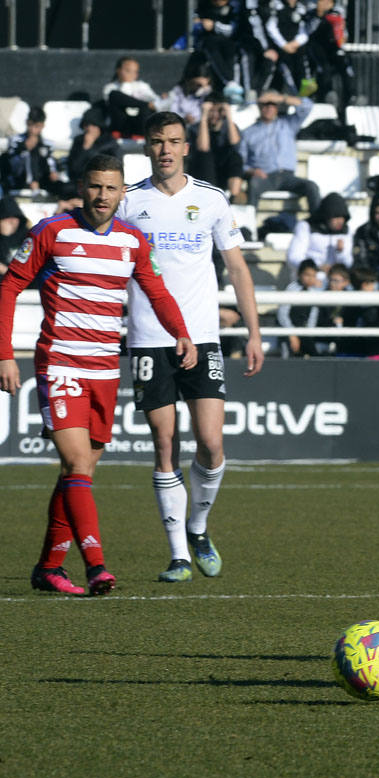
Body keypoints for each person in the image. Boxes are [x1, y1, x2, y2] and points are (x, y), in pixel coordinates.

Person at [0, 154, 197, 596]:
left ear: (123, 191)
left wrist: (181, 334)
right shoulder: (52, 231)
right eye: (94, 187)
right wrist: (4, 354)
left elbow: (156, 291)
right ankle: (95, 565)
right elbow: (9, 286)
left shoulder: (133, 240)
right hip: (61, 363)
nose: (102, 196)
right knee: (75, 465)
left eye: (111, 188)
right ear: (82, 187)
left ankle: (49, 568)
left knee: (80, 470)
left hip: (106, 368)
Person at [118, 111, 264, 584]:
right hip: (148, 338)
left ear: (185, 147)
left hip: (202, 336)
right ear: (147, 147)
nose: (165, 149)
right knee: (165, 444)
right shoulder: (128, 202)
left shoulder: (211, 200)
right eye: (157, 141)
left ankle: (198, 528)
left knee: (212, 443)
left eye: (174, 141)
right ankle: (179, 554)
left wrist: (254, 332)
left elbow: (238, 269)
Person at [239, 91, 320, 209]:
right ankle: (250, 224)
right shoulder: (247, 133)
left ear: (277, 107)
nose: (269, 108)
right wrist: (252, 171)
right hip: (265, 177)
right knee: (253, 184)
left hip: (288, 177)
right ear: (259, 106)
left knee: (311, 187)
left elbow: (307, 106)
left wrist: (281, 98)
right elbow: (240, 162)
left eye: (273, 104)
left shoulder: (288, 124)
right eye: (265, 104)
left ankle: (317, 225)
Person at [303, 0, 356, 121]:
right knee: (323, 69)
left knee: (345, 66)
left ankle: (351, 96)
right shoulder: (311, 9)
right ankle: (325, 95)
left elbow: (341, 29)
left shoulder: (338, 10)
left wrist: (343, 38)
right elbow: (309, 31)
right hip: (316, 46)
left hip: (333, 46)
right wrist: (319, 15)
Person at [192, 0, 246, 102]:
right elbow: (194, 19)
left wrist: (214, 25)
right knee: (209, 46)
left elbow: (233, 29)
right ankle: (229, 83)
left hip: (229, 40)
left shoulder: (235, 6)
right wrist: (200, 23)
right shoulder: (205, 1)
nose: (215, 2)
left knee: (232, 50)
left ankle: (232, 84)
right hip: (208, 40)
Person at [0, 106, 70, 199]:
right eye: (30, 125)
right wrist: (24, 147)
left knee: (63, 186)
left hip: (41, 179)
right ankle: (33, 185)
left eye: (37, 126)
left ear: (42, 126)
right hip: (18, 178)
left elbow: (50, 162)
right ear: (27, 123)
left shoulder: (47, 144)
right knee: (27, 154)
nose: (33, 130)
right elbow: (12, 165)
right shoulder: (15, 140)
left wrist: (53, 172)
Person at [267, 0, 317, 97]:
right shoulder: (276, 7)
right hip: (281, 47)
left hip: (296, 46)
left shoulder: (302, 9)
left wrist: (296, 43)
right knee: (283, 69)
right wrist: (284, 44)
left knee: (302, 65)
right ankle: (282, 91)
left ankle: (306, 94)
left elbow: (305, 30)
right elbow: (271, 27)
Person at [189, 96, 245, 200]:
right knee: (206, 157)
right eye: (211, 111)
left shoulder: (229, 126)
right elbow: (203, 148)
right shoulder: (196, 128)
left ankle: (234, 197)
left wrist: (228, 114)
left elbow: (235, 143)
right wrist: (204, 116)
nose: (215, 115)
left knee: (236, 156)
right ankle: (211, 196)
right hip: (202, 172)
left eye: (218, 111)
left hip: (223, 170)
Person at [238, 0, 283, 95]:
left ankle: (259, 93)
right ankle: (249, 92)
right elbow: (255, 27)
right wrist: (265, 49)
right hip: (249, 41)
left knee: (271, 61)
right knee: (248, 57)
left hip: (266, 44)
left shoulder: (274, 2)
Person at [287, 192, 353, 274]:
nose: (340, 221)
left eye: (342, 217)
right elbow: (294, 256)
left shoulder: (346, 231)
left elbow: (348, 264)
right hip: (312, 276)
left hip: (336, 279)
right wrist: (316, 268)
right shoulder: (306, 226)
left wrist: (341, 252)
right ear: (326, 216)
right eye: (335, 217)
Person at [102, 56, 161, 138]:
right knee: (114, 95)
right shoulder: (110, 87)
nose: (131, 74)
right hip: (121, 125)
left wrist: (148, 104)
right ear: (118, 70)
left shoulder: (142, 86)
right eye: (128, 71)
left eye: (135, 72)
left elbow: (155, 101)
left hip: (138, 124)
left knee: (146, 109)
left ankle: (141, 135)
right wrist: (144, 104)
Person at [277, 257, 323, 357]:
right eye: (307, 275)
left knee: (313, 353)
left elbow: (313, 316)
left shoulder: (314, 292)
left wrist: (308, 333)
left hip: (304, 331)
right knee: (289, 355)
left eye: (313, 276)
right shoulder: (291, 289)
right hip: (288, 331)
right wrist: (292, 334)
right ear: (299, 274)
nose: (310, 279)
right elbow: (283, 315)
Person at [66, 106, 120, 184]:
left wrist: (91, 151)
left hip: (104, 182)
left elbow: (116, 166)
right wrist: (85, 148)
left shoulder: (109, 142)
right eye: (86, 125)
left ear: (100, 127)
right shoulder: (78, 141)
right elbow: (73, 169)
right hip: (81, 182)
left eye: (93, 125)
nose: (89, 129)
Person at [160, 61, 215, 128]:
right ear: (189, 81)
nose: (200, 89)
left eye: (203, 85)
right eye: (198, 85)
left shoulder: (209, 94)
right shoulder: (177, 92)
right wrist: (184, 117)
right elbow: (172, 110)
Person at [0, 194, 29, 275]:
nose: (12, 221)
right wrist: (4, 237)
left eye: (16, 217)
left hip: (23, 281)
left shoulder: (26, 236)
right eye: (7, 217)